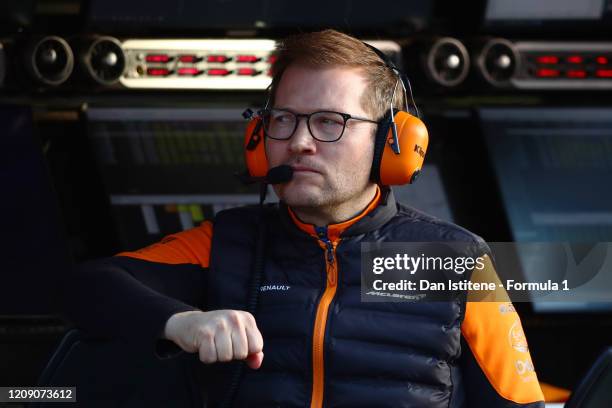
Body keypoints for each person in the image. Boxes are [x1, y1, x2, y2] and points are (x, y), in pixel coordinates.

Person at [66, 29, 545, 407]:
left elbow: (517, 404)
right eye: (283, 119)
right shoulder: (228, 243)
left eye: (329, 122)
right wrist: (181, 322)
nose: (298, 141)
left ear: (390, 145)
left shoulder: (454, 259)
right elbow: (89, 288)